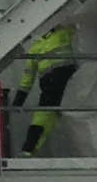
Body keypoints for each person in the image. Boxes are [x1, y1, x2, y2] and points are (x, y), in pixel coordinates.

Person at [14, 23, 79, 154]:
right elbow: (27, 79)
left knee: (44, 116)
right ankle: (28, 151)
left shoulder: (64, 31)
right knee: (42, 118)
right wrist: (18, 101)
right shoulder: (34, 49)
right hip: (54, 84)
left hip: (67, 80)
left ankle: (29, 150)